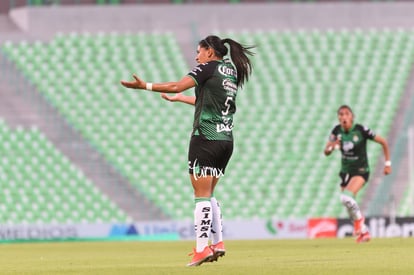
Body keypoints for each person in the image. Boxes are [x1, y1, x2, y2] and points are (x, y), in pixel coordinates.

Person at [120, 35, 254, 266]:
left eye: (199, 51)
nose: (196, 56)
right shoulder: (229, 71)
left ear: (210, 51)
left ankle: (202, 248)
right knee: (209, 193)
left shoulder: (208, 67)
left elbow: (175, 85)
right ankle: (218, 243)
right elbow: (215, 104)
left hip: (205, 138)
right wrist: (183, 99)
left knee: (200, 195)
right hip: (225, 140)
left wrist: (145, 86)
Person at [324, 105, 391, 243]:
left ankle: (359, 222)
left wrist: (387, 164)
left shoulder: (361, 130)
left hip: (360, 170)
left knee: (345, 198)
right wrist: (333, 145)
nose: (343, 117)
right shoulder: (336, 131)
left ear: (352, 117)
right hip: (345, 172)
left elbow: (383, 142)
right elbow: (326, 152)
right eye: (341, 114)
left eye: (346, 114)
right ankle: (364, 232)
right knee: (348, 204)